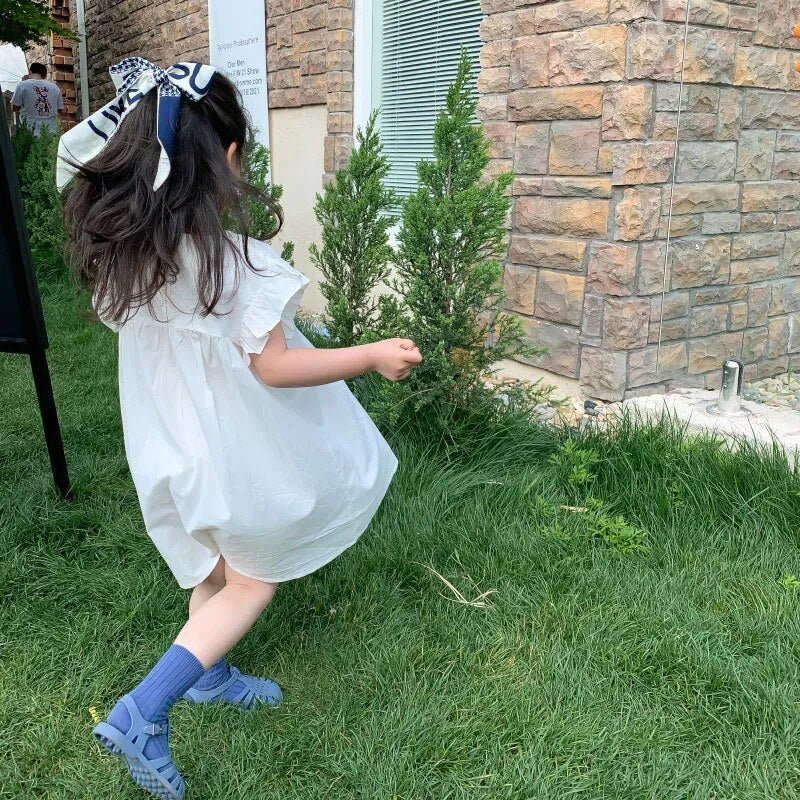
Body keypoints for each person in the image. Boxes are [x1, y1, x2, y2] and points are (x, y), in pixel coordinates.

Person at [59, 58, 422, 800]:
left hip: (168, 449)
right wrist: (371, 355)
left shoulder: (135, 262)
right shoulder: (234, 264)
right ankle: (143, 712)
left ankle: (210, 676)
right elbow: (275, 367)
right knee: (252, 582)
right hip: (231, 454)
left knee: (215, 568)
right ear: (227, 158)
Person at [11, 62, 63, 134]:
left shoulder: (22, 85)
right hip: (51, 130)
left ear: (30, 72)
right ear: (45, 75)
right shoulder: (55, 87)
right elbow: (60, 109)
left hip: (30, 130)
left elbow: (14, 108)